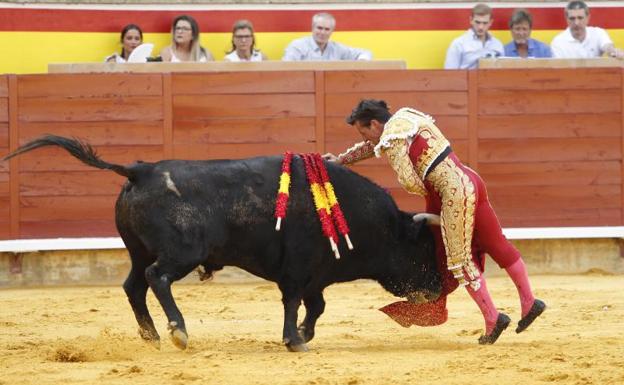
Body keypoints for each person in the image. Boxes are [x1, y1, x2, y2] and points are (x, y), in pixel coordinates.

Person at [323, 99, 546, 344]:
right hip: (469, 179)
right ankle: (529, 301)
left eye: (363, 131)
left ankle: (493, 318)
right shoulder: (406, 116)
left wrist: (431, 199)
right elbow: (375, 145)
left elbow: (408, 180)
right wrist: (342, 160)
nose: (366, 137)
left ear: (374, 124)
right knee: (496, 243)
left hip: (451, 193)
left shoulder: (393, 136)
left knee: (459, 262)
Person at [282, 12, 372, 61]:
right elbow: (286, 71)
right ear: (312, 28)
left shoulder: (336, 48)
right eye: (319, 28)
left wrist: (361, 62)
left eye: (327, 29)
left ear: (332, 31)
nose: (322, 32)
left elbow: (365, 52)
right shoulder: (297, 46)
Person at [551, 1, 624, 59]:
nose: (576, 23)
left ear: (588, 18)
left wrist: (613, 52)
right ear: (566, 19)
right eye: (572, 18)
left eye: (580, 18)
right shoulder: (558, 42)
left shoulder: (598, 33)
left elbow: (607, 46)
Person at [444, 4, 503, 69]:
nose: (481, 27)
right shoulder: (458, 44)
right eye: (477, 22)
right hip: (464, 79)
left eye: (485, 23)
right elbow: (450, 74)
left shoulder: (497, 44)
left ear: (490, 22)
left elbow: (502, 72)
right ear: (471, 20)